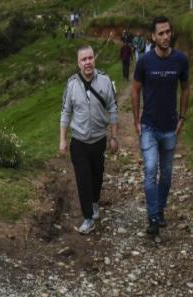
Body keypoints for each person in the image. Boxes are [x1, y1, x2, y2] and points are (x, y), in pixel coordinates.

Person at [132, 16, 190, 237]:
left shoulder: (180, 60)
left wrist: (182, 117)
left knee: (166, 174)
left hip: (169, 128)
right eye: (161, 33)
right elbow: (135, 90)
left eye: (168, 32)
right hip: (148, 126)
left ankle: (160, 209)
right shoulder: (145, 62)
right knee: (149, 171)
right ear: (153, 37)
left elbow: (185, 88)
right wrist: (136, 120)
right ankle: (153, 217)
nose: (166, 37)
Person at [60, 46, 119, 234]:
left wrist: (114, 137)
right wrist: (62, 139)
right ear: (78, 64)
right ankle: (88, 218)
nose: (87, 62)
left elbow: (113, 108)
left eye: (90, 58)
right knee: (83, 179)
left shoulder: (105, 80)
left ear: (94, 59)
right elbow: (65, 112)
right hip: (78, 141)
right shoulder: (71, 85)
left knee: (97, 175)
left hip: (99, 139)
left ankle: (94, 202)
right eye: (83, 59)